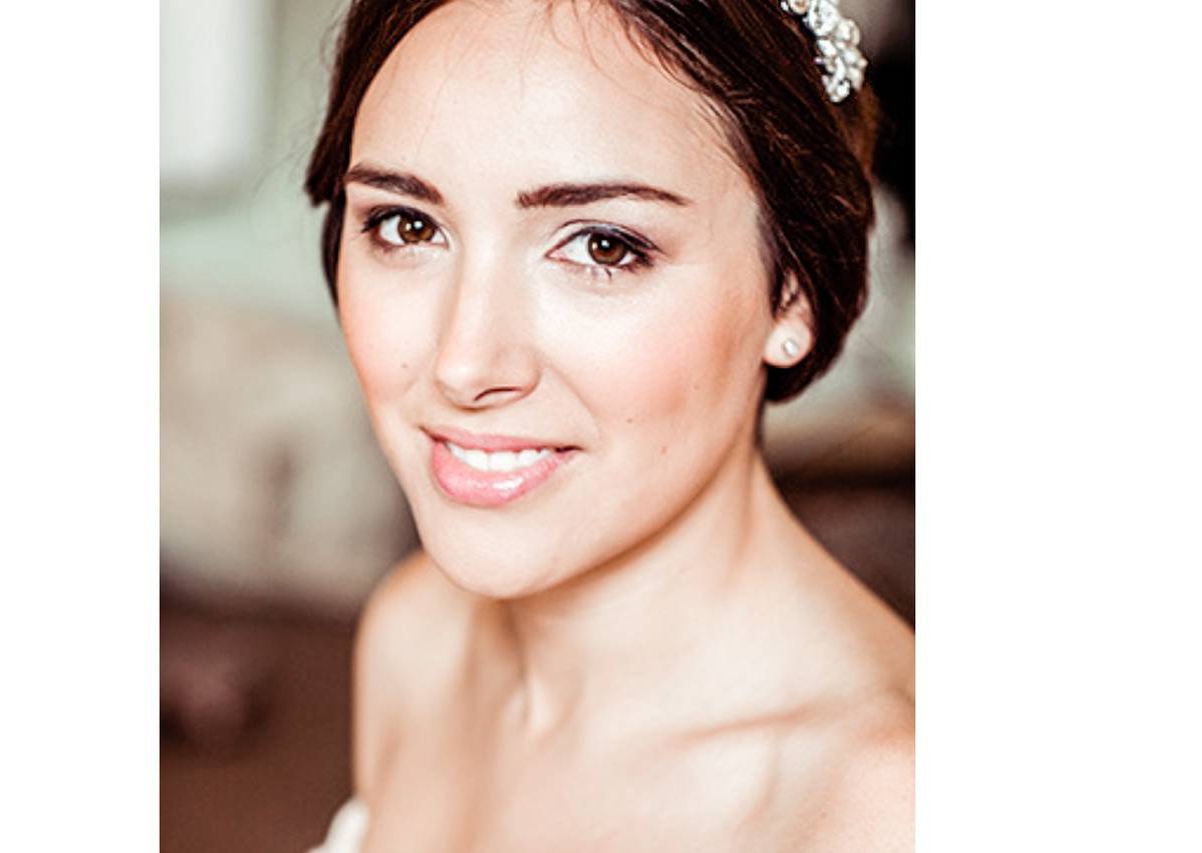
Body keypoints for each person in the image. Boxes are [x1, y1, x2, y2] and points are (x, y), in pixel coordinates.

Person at [304, 0, 913, 849]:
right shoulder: (417, 639)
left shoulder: (891, 808)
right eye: (407, 224)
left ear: (793, 288)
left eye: (601, 246)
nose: (464, 363)